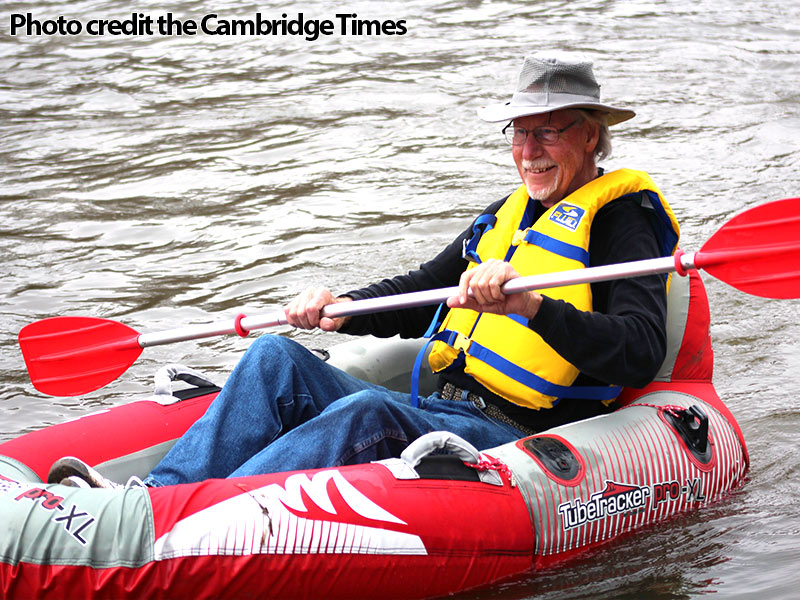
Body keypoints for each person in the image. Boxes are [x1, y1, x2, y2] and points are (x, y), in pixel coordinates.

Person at [48, 52, 680, 490]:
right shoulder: (507, 215)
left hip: (517, 434)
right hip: (451, 403)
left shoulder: (625, 221)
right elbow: (421, 293)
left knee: (361, 419)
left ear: (592, 137)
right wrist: (340, 307)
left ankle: (181, 520)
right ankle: (156, 495)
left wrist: (531, 309)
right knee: (274, 356)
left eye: (550, 132)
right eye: (520, 133)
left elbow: (639, 351)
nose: (529, 151)